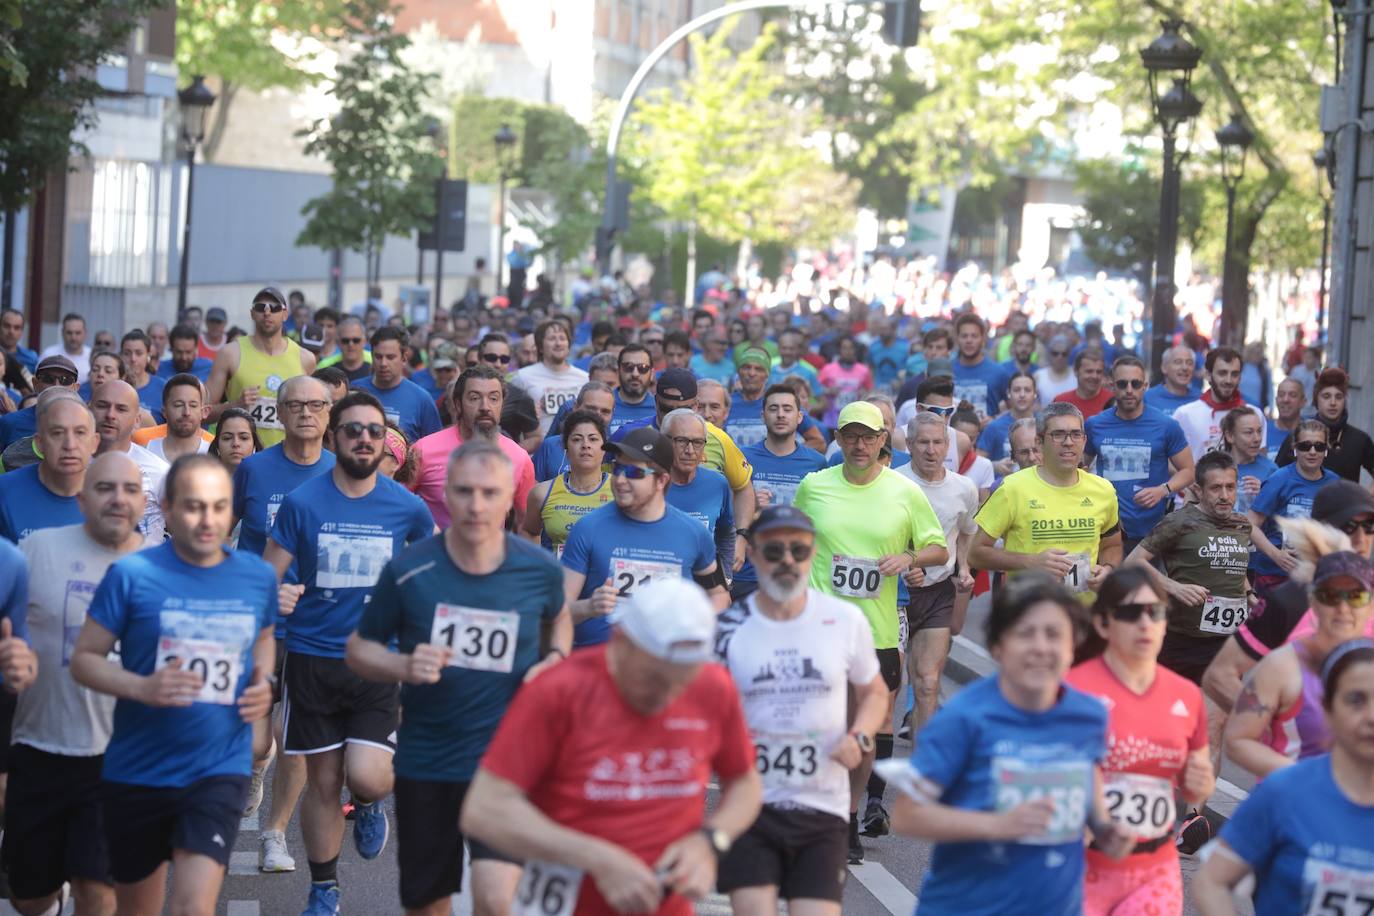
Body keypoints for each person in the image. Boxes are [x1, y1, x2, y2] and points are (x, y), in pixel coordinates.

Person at [348, 441, 572, 916]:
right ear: (445, 494)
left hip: (508, 763)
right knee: (429, 904)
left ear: (511, 495)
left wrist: (554, 658)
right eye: (464, 491)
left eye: (489, 493)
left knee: (497, 899)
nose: (476, 505)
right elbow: (360, 649)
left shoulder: (538, 570)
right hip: (428, 761)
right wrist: (403, 666)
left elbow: (560, 618)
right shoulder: (410, 569)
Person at [459, 578, 763, 916]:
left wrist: (709, 841)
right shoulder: (558, 691)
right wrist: (596, 858)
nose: (668, 697)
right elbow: (483, 809)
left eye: (682, 683)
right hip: (565, 902)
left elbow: (745, 784)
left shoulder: (713, 687)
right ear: (621, 641)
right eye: (655, 680)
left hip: (663, 906)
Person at [68, 454, 276, 916]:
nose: (208, 520)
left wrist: (264, 680)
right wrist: (141, 687)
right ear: (166, 505)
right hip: (138, 770)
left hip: (217, 768)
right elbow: (84, 661)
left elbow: (262, 639)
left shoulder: (256, 576)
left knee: (191, 908)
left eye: (220, 507)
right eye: (194, 506)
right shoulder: (133, 575)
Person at [262, 391, 432, 914]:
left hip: (376, 660)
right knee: (323, 781)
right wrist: (276, 595)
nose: (364, 439)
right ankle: (324, 889)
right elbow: (266, 575)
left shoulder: (408, 508)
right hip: (312, 659)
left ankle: (371, 801)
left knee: (366, 776)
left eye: (374, 431)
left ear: (386, 444)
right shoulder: (304, 502)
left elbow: (432, 575)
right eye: (353, 430)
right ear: (333, 436)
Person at [883, 573, 1133, 914]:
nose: (1041, 647)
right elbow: (908, 816)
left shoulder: (1088, 715)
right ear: (998, 646)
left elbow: (1086, 773)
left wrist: (1105, 827)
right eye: (1025, 634)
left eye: (1054, 634)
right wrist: (997, 826)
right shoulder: (964, 717)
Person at [714, 505, 889, 916]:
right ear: (753, 555)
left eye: (799, 550)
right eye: (774, 551)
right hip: (750, 808)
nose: (788, 561)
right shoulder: (726, 628)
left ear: (812, 554)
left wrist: (860, 736)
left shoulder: (845, 620)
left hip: (821, 809)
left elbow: (876, 694)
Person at [793, 400, 948, 862]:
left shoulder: (904, 491)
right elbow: (790, 540)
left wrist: (909, 559)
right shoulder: (813, 486)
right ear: (838, 440)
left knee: (867, 734)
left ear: (884, 440)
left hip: (877, 633)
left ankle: (847, 816)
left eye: (869, 436)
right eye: (851, 436)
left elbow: (938, 548)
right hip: (820, 628)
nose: (859, 445)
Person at [3, 453, 146, 916]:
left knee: (98, 889)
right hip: (40, 747)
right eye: (105, 488)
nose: (117, 500)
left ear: (145, 502)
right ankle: (50, 895)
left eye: (129, 490)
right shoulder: (37, 550)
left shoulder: (162, 569)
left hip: (118, 759)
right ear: (81, 499)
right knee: (27, 898)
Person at [1066, 567, 1214, 916]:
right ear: (1103, 624)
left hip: (1153, 872)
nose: (1145, 624)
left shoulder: (1186, 696)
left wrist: (1198, 783)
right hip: (1080, 869)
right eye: (1131, 613)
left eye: (1156, 612)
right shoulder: (1072, 691)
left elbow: (1195, 784)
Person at [1194, 639, 1374, 916]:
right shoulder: (1285, 791)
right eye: (1355, 699)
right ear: (1328, 710)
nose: (1371, 716)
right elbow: (1212, 881)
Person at [1204, 481, 1374, 714]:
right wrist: (1266, 728)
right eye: (1349, 527)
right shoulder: (1290, 600)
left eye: (1369, 526)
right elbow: (1219, 676)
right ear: (1318, 532)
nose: (1361, 538)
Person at [561, 427, 729, 649]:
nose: (620, 480)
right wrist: (589, 607)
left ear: (661, 481)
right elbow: (557, 611)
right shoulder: (588, 528)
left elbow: (719, 596)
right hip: (601, 664)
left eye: (633, 473)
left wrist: (695, 632)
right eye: (618, 468)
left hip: (666, 666)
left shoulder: (695, 533)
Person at [1223, 552, 1374, 778]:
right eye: (1330, 595)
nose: (1343, 608)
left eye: (1355, 596)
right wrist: (1306, 780)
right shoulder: (1283, 664)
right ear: (1313, 601)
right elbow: (1238, 741)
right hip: (1291, 804)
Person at [970, 402, 1123, 597]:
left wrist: (1108, 569)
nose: (1068, 442)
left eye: (1076, 434)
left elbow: (1112, 545)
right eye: (1058, 434)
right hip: (1027, 614)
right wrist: (1032, 561)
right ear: (1040, 442)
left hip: (1082, 615)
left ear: (1084, 441)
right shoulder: (1011, 489)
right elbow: (975, 554)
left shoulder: (1103, 490)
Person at [896, 412, 979, 747]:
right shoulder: (894, 483)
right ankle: (873, 766)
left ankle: (922, 770)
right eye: (923, 443)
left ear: (947, 446)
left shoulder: (964, 488)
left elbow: (966, 532)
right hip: (895, 593)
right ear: (911, 445)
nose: (931, 450)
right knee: (891, 684)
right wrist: (903, 568)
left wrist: (964, 568)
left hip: (939, 593)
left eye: (937, 442)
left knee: (928, 683)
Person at [1084, 355, 1193, 557]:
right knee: (1109, 588)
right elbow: (1080, 468)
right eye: (1122, 384)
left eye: (1135, 384)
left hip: (1151, 533)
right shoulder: (1094, 424)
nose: (1129, 390)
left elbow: (1189, 471)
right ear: (1111, 385)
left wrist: (1163, 490)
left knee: (1148, 589)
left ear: (1145, 386)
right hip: (1106, 530)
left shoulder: (1166, 425)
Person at [412, 365, 537, 528]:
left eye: (493, 398)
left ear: (502, 404)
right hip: (434, 551)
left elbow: (526, 525)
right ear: (458, 405)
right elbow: (398, 507)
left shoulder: (519, 458)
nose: (485, 407)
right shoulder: (423, 450)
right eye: (474, 398)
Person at [205, 287, 317, 448]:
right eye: (260, 307)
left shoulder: (305, 358)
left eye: (275, 308)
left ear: (285, 315)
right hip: (240, 456)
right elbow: (202, 412)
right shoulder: (230, 353)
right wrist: (234, 406)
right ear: (252, 313)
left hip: (289, 456)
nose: (267, 312)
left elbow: (315, 413)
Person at [1248, 420, 1340, 594]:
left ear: (1326, 450)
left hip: (1315, 578)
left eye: (1319, 446)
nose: (1312, 452)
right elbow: (1250, 524)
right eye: (1305, 446)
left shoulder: (1334, 483)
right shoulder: (1279, 479)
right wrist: (1276, 555)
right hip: (1275, 575)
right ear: (1295, 448)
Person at [0, 394, 97, 542]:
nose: (70, 445)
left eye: (80, 433)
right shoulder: (4, 492)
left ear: (95, 442)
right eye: (57, 433)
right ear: (39, 443)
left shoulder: (113, 497)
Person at [523, 410, 614, 555]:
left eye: (593, 439)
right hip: (558, 576)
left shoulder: (620, 491)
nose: (585, 445)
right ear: (565, 447)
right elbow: (529, 531)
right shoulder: (542, 493)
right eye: (577, 439)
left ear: (604, 447)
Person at [90, 379, 168, 542]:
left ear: (137, 420)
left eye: (121, 409)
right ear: (89, 410)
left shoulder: (159, 471)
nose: (110, 415)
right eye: (103, 405)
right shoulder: (71, 465)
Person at [662, 408, 737, 573]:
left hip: (703, 589)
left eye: (697, 442)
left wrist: (725, 577)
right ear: (665, 441)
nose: (689, 451)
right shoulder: (649, 484)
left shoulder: (717, 484)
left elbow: (726, 533)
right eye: (681, 441)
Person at [1276, 366, 1374, 482]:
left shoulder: (1359, 440)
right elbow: (1275, 478)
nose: (1333, 403)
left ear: (1345, 400)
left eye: (1338, 397)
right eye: (1326, 396)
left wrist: (1365, 497)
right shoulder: (1297, 436)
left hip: (1346, 500)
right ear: (1316, 399)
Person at [353, 326, 443, 444]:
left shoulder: (422, 400)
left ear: (404, 359)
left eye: (390, 357)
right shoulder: (354, 392)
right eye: (378, 357)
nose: (383, 363)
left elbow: (434, 449)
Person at [1172, 346, 1264, 459]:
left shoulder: (1254, 414)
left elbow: (1260, 461)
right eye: (1222, 373)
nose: (1228, 380)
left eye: (1234, 374)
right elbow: (1171, 463)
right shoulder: (1185, 414)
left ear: (1240, 378)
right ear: (1208, 375)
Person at [513, 319, 589, 435]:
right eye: (552, 338)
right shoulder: (522, 377)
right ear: (541, 347)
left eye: (562, 338)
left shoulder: (585, 379)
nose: (558, 343)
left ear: (569, 345)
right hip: (536, 450)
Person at [530, 381, 615, 482]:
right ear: (575, 407)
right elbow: (531, 490)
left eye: (605, 411)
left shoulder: (613, 452)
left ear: (612, 414)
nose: (597, 415)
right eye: (591, 408)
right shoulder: (550, 446)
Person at [0, 353, 80, 449]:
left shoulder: (84, 426)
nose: (56, 385)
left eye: (65, 380)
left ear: (75, 388)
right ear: (35, 384)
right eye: (48, 378)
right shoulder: (9, 423)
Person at [136, 373, 213, 462]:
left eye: (193, 405)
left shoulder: (215, 454)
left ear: (203, 412)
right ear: (164, 412)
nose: (186, 412)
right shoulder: (144, 453)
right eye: (178, 405)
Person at [977, 370, 1037, 476]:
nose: (1022, 395)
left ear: (1035, 394)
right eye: (1017, 390)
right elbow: (976, 462)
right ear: (1008, 393)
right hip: (1004, 487)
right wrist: (994, 466)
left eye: (1027, 390)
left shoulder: (1044, 425)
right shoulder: (994, 426)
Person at [1220, 406, 1278, 515]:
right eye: (1249, 432)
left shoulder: (1271, 470)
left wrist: (1264, 496)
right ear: (1230, 436)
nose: (1257, 439)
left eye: (1259, 431)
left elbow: (1281, 517)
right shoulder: (1214, 467)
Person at [949, 314, 1007, 421]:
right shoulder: (946, 370)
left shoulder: (999, 372)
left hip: (986, 436)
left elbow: (1013, 408)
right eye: (964, 336)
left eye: (974, 336)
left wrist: (995, 419)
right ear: (957, 338)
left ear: (983, 339)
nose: (969, 340)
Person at [817, 336, 874, 428]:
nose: (848, 351)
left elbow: (870, 392)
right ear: (839, 350)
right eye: (844, 348)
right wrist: (828, 391)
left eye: (851, 348)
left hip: (855, 420)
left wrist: (864, 394)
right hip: (832, 421)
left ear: (855, 350)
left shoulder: (864, 370)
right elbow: (816, 389)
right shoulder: (828, 369)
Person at [725, 346, 775, 448]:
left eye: (759, 369)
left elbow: (815, 439)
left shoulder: (779, 404)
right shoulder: (725, 402)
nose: (751, 373)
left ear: (767, 375)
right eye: (746, 367)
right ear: (739, 372)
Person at [119, 329, 166, 424]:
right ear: (121, 355)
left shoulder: (163, 388)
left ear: (148, 355)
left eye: (139, 353)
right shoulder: (113, 386)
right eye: (127, 353)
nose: (133, 359)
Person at [609, 342, 656, 432]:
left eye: (642, 368)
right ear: (618, 371)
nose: (635, 374)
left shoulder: (659, 409)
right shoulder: (604, 405)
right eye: (628, 367)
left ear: (652, 374)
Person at [1143, 345, 1202, 418]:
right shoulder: (1148, 398)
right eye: (1178, 362)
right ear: (1164, 367)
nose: (1185, 367)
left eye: (1189, 363)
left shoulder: (1200, 399)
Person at [39, 312, 91, 382]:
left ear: (85, 333)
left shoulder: (92, 356)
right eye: (69, 333)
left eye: (78, 333)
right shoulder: (49, 354)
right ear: (62, 333)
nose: (73, 337)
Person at [316, 316, 372, 381]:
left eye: (356, 340)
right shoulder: (324, 366)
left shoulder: (375, 362)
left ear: (364, 341)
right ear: (338, 342)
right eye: (345, 341)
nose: (351, 344)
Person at [209, 407, 262, 474]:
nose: (235, 443)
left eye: (244, 438)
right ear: (217, 444)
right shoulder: (201, 479)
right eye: (227, 438)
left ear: (254, 442)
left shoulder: (267, 479)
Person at [1033, 334, 1077, 405]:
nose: (1060, 357)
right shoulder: (1038, 376)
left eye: (1064, 354)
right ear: (1049, 354)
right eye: (1055, 353)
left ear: (1069, 354)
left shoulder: (1076, 374)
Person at [1268, 376, 1304, 461]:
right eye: (1281, 395)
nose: (1286, 399)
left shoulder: (1311, 432)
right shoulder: (1261, 431)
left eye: (1292, 395)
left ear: (1303, 402)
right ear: (1276, 400)